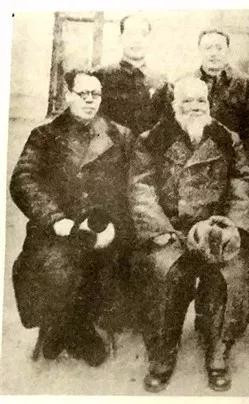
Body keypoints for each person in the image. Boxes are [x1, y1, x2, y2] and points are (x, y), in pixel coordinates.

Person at [129, 76, 249, 393]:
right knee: (165, 272)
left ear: (209, 104)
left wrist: (232, 227)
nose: (195, 107)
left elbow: (241, 185)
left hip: (215, 227)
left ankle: (217, 351)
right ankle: (162, 353)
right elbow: (141, 189)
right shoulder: (152, 139)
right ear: (175, 105)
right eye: (187, 101)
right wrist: (159, 230)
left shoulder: (227, 138)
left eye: (201, 101)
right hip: (171, 229)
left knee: (231, 274)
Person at [10, 68, 134, 367]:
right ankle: (63, 327)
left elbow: (132, 186)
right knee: (53, 265)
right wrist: (55, 219)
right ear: (68, 96)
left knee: (103, 264)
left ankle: (78, 330)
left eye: (96, 94)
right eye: (83, 94)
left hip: (104, 226)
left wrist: (114, 225)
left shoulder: (120, 135)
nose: (90, 100)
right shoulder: (44, 135)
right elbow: (23, 179)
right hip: (58, 227)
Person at [185, 29, 249, 335]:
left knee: (229, 251)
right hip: (193, 177)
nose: (213, 53)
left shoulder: (245, 84)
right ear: (200, 50)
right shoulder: (185, 82)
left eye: (219, 47)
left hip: (230, 170)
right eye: (208, 48)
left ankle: (220, 317)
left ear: (227, 50)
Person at [94, 14, 169, 136]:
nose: (137, 40)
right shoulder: (101, 76)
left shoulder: (161, 81)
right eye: (131, 34)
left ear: (150, 40)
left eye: (143, 34)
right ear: (120, 38)